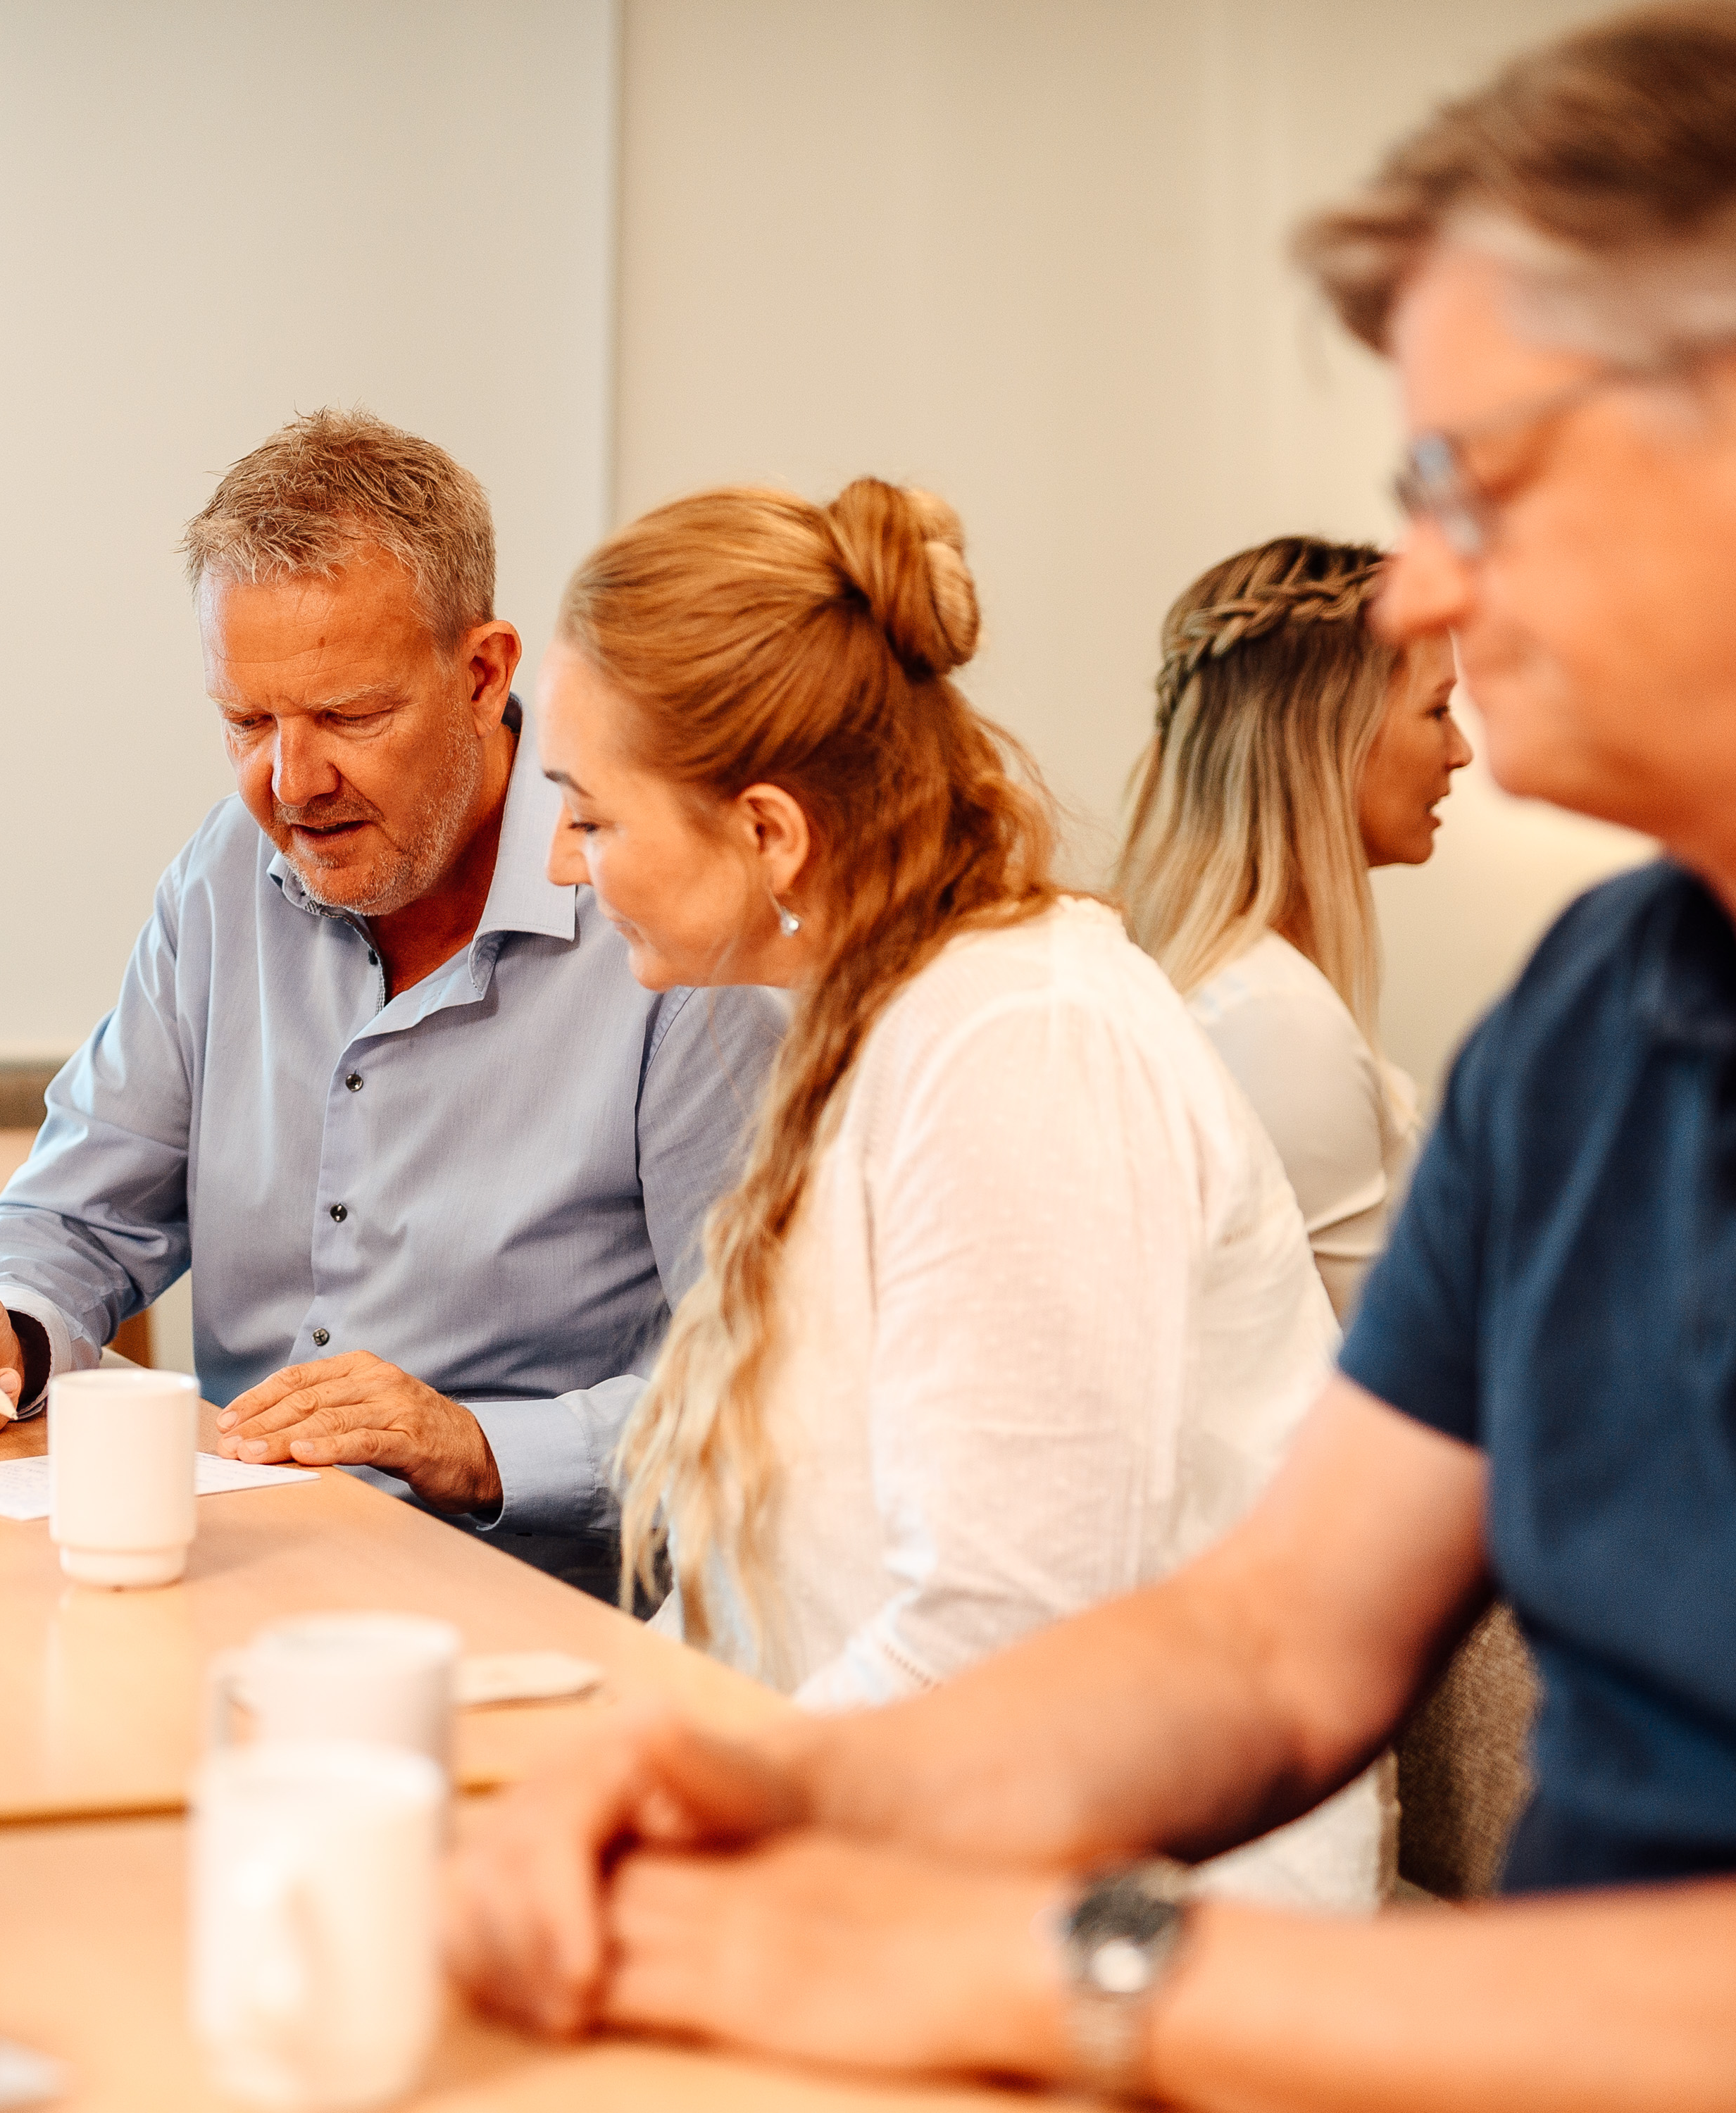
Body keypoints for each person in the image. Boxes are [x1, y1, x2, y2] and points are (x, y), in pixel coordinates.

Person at [444, 4, 1736, 2102]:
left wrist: (1043, 1971)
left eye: (1467, 474)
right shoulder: (1599, 1014)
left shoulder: (1030, 1032)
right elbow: (1271, 1641)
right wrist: (780, 1800)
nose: (1415, 588)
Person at [529, 475, 1372, 1908]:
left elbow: (1009, 1643)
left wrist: (682, 1824)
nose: (561, 863)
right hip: (891, 1836)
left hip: (1127, 1914)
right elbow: (777, 1591)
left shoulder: (1019, 1051)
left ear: (771, 835)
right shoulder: (888, 1019)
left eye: (590, 817)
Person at [0, 411, 783, 1589]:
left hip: (535, 1605)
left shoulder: (661, 925)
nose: (290, 787)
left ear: (484, 672)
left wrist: (475, 1443)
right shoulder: (225, 876)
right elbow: (80, 1210)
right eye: (246, 723)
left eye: (350, 717)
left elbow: (766, 1393)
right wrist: (13, 1328)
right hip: (239, 1574)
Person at [1116, 536, 1471, 1318]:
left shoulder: (1257, 994)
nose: (1461, 752)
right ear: (1327, 735)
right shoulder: (1273, 1021)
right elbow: (1363, 1371)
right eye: (1437, 710)